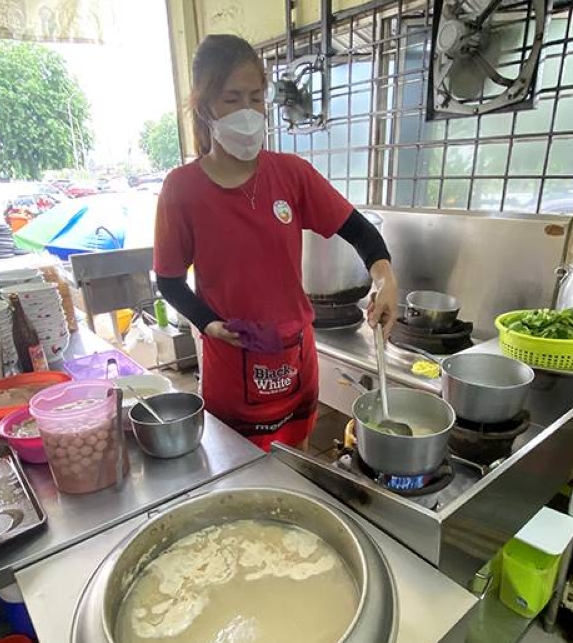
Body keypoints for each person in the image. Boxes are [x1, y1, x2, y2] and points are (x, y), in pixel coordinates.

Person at [154, 34, 399, 451]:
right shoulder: (182, 189)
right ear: (204, 105)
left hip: (296, 356)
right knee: (239, 470)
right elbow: (170, 280)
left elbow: (360, 231)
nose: (247, 113)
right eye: (232, 99)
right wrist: (209, 324)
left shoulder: (291, 174)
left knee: (297, 462)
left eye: (256, 98)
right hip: (233, 360)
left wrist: (385, 276)